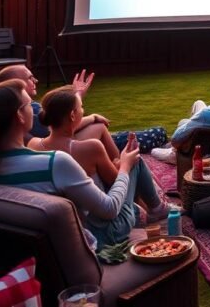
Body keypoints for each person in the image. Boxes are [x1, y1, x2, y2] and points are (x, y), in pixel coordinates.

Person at [0, 79, 141, 249]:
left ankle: (143, 209)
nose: (35, 110)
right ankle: (156, 208)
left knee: (133, 203)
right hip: (84, 245)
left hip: (17, 248)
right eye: (29, 105)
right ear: (19, 116)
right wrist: (124, 167)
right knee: (133, 163)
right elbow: (109, 209)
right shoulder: (54, 163)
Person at [28, 86, 168, 223]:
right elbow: (116, 182)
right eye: (81, 107)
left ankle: (144, 210)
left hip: (70, 219)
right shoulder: (90, 147)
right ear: (72, 115)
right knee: (136, 161)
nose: (84, 111)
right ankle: (156, 208)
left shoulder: (33, 144)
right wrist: (124, 164)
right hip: (104, 224)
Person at [0, 64, 119, 161]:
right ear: (16, 83)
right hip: (54, 152)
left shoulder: (4, 112)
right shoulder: (26, 110)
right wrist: (92, 118)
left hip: (49, 149)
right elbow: (58, 127)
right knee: (101, 128)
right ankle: (120, 166)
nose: (36, 80)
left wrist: (77, 96)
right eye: (30, 77)